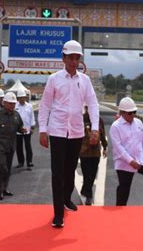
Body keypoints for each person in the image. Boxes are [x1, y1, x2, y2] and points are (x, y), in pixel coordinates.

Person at [38, 40, 100, 229]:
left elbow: (93, 103)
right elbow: (45, 105)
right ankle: (58, 213)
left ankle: (66, 199)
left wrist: (95, 128)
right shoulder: (54, 79)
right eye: (71, 58)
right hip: (57, 131)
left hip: (76, 132)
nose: (74, 62)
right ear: (63, 58)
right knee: (57, 172)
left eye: (77, 58)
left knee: (70, 168)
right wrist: (42, 129)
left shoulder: (85, 80)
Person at [109, 97, 143, 206]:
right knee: (124, 188)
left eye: (134, 112)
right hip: (124, 162)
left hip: (140, 158)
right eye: (130, 113)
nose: (133, 115)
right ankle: (120, 209)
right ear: (122, 112)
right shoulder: (115, 127)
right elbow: (118, 148)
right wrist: (130, 161)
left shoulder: (138, 123)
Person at [0, 92, 26, 200]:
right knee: (2, 166)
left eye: (14, 104)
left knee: (8, 168)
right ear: (4, 103)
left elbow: (20, 126)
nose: (12, 106)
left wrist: (22, 130)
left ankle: (5, 188)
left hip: (11, 145)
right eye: (10, 103)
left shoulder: (16, 115)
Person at [79, 105, 108, 206]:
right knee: (87, 174)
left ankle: (86, 191)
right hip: (84, 152)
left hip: (95, 152)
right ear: (86, 108)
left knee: (92, 174)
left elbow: (103, 134)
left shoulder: (99, 120)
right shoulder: (81, 119)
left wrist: (105, 147)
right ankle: (89, 195)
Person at [15, 89, 36, 168]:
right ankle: (21, 162)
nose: (22, 99)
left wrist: (32, 127)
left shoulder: (29, 106)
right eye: (20, 97)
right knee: (18, 147)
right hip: (18, 130)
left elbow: (32, 117)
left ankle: (29, 161)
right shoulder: (15, 106)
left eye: (23, 97)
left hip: (27, 130)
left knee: (28, 146)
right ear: (18, 98)